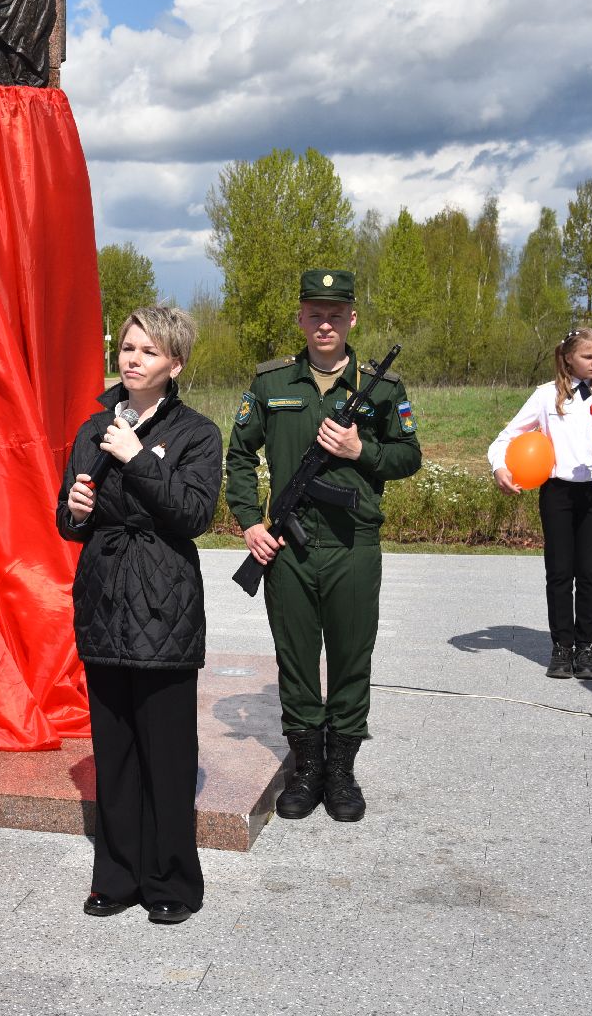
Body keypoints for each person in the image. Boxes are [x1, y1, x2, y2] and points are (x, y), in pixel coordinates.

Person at [226, 270, 422, 824]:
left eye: (336, 314)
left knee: (351, 658)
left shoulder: (382, 388)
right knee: (295, 659)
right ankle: (307, 766)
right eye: (315, 313)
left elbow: (409, 456)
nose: (325, 323)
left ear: (352, 318)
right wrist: (250, 523)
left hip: (353, 545)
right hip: (287, 547)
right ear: (301, 318)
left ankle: (341, 770)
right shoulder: (271, 383)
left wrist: (362, 451)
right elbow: (239, 455)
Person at [57, 306, 220, 926]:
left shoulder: (197, 433)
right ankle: (117, 876)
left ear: (174, 364)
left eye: (148, 351)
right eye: (127, 347)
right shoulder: (93, 427)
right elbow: (67, 519)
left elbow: (193, 514)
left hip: (163, 602)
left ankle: (171, 880)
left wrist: (138, 457)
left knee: (167, 751)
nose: (132, 359)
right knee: (115, 747)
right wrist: (75, 511)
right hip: (103, 598)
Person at [487, 327, 592, 679]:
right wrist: (500, 466)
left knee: (591, 572)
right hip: (557, 493)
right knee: (559, 571)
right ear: (568, 357)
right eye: (587, 356)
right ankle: (562, 648)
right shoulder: (546, 396)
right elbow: (507, 436)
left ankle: (587, 649)